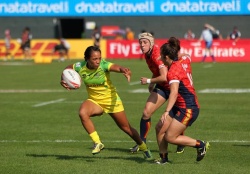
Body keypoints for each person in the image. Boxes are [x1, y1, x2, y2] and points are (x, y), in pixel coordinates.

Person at [60, 46, 153, 160]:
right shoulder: (80, 66)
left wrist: (123, 70)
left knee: (126, 128)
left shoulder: (103, 65)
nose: (98, 61)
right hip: (95, 101)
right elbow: (68, 69)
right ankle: (97, 142)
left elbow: (115, 67)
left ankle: (144, 147)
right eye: (94, 59)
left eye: (99, 58)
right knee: (83, 112)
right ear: (87, 59)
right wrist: (63, 79)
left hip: (111, 101)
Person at [154, 37, 210, 164]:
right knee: (159, 128)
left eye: (162, 57)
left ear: (168, 57)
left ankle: (200, 144)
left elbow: (173, 93)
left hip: (188, 107)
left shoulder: (173, 71)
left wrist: (166, 111)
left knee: (170, 137)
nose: (160, 59)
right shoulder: (185, 59)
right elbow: (186, 55)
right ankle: (163, 159)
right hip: (180, 105)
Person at [129, 32, 185, 154]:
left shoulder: (156, 54)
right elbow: (157, 71)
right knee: (146, 112)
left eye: (145, 42)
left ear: (151, 43)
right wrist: (152, 83)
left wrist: (148, 80)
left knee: (176, 116)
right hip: (162, 87)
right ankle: (142, 143)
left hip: (172, 87)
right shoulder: (147, 54)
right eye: (140, 43)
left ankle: (180, 142)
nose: (142, 45)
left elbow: (164, 76)